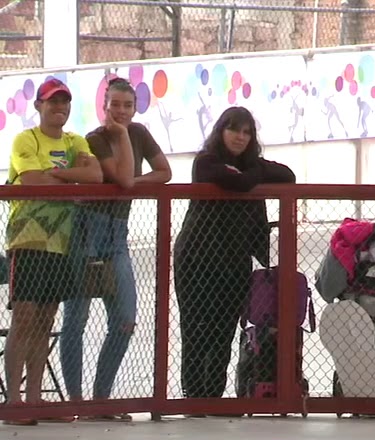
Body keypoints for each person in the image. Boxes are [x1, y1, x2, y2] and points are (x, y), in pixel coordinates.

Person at [61, 77, 172, 421]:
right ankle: (76, 401)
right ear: (104, 106)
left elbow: (164, 172)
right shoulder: (95, 138)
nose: (122, 111)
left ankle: (101, 400)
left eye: (128, 105)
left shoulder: (140, 133)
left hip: (117, 232)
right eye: (115, 105)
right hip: (86, 230)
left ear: (135, 107)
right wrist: (122, 139)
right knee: (76, 320)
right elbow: (120, 179)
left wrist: (135, 181)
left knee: (124, 319)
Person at [174, 107, 296, 402]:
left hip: (233, 261)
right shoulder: (205, 162)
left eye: (246, 132)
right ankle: (194, 395)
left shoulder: (250, 167)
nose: (240, 137)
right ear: (221, 131)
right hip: (197, 259)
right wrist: (254, 173)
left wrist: (252, 171)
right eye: (234, 130)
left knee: (224, 332)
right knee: (195, 329)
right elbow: (237, 182)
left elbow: (287, 175)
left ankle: (213, 396)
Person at [4, 79, 103, 425]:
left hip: (61, 242)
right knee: (25, 316)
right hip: (28, 239)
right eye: (52, 102)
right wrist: (69, 179)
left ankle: (35, 398)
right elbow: (31, 181)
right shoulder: (26, 139)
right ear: (39, 106)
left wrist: (56, 174)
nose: (59, 108)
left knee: (46, 318)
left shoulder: (75, 141)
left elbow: (95, 175)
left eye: (64, 102)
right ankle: (14, 401)